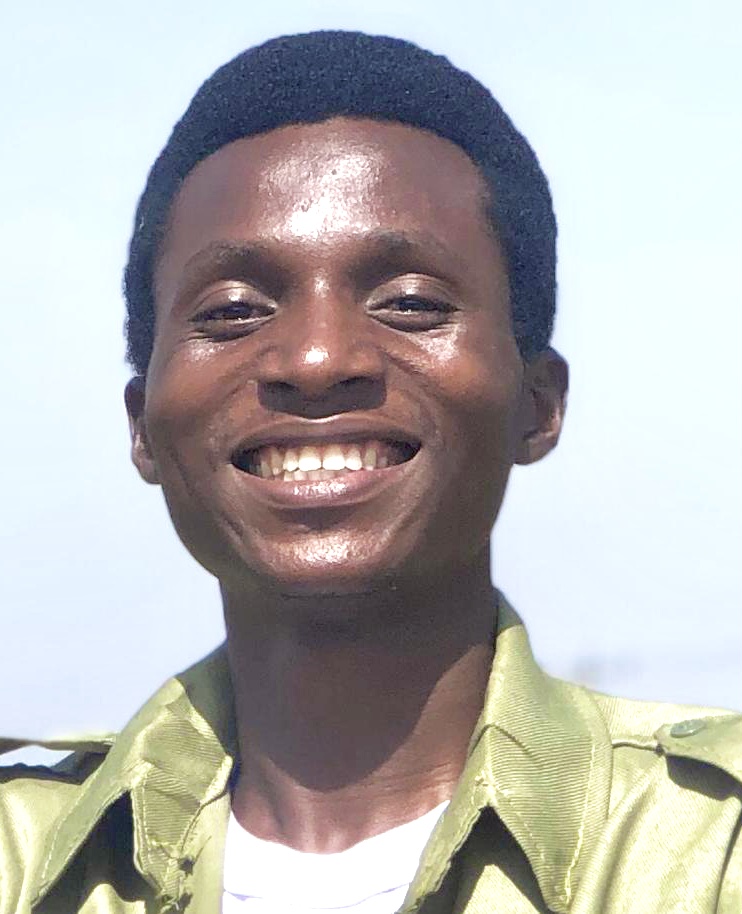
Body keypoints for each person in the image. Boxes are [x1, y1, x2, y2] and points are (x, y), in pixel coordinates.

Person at [1, 29, 740, 914]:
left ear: (537, 404)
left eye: (410, 303)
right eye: (232, 311)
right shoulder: (21, 863)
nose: (317, 359)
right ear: (143, 427)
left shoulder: (711, 849)